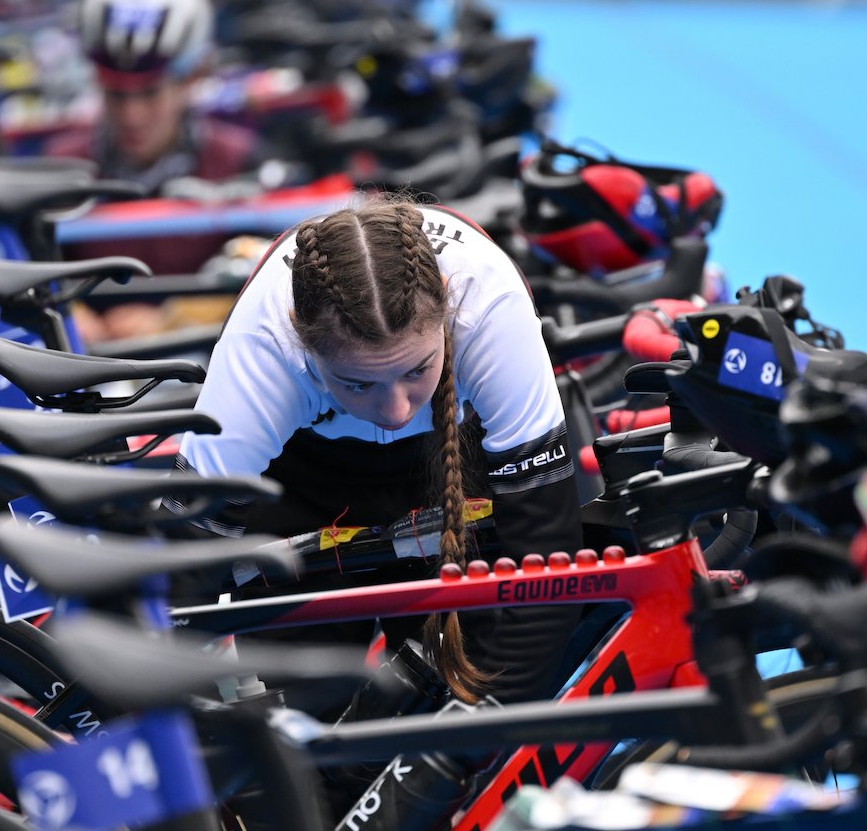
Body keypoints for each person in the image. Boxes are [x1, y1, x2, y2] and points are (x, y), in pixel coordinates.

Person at [166, 200, 583, 705]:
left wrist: (481, 741)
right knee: (310, 722)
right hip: (305, 479)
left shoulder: (488, 305)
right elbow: (178, 579)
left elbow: (549, 575)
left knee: (488, 683)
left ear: (447, 305)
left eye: (415, 370)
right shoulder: (265, 342)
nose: (396, 411)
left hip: (455, 459)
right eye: (357, 383)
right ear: (299, 333)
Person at [54, 0, 261, 341]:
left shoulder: (237, 160)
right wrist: (68, 312)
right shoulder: (63, 166)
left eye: (150, 92)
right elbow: (29, 262)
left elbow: (270, 270)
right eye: (115, 93)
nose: (132, 115)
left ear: (192, 78)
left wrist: (176, 319)